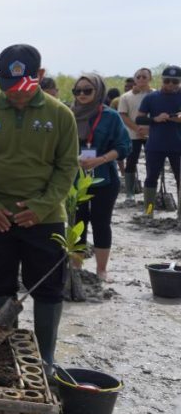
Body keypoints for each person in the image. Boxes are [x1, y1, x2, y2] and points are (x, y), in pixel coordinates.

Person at [0, 44, 78, 366]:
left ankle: (46, 358)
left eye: (23, 87)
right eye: (8, 87)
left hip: (44, 219)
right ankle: (3, 350)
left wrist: (41, 207)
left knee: (49, 290)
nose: (16, 94)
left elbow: (67, 167)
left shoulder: (60, 115)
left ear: (39, 76)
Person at [69, 74, 130, 282]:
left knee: (101, 223)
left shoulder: (110, 116)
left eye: (88, 90)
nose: (82, 94)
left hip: (104, 178)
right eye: (78, 91)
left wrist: (101, 159)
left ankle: (102, 269)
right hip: (74, 181)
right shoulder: (68, 114)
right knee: (78, 223)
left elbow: (124, 146)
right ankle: (76, 266)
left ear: (99, 91)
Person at [135, 65, 181, 213]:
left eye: (175, 82)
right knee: (150, 179)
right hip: (155, 145)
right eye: (167, 81)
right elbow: (139, 119)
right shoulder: (151, 97)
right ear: (161, 80)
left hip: (178, 145)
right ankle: (149, 212)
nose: (171, 85)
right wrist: (155, 119)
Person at [117, 68, 153, 203]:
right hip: (133, 134)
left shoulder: (156, 94)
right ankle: (130, 192)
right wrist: (136, 128)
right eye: (138, 77)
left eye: (144, 77)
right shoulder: (126, 96)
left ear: (150, 78)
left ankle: (149, 191)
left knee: (152, 163)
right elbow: (123, 114)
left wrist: (149, 129)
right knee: (131, 161)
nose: (141, 79)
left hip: (152, 133)